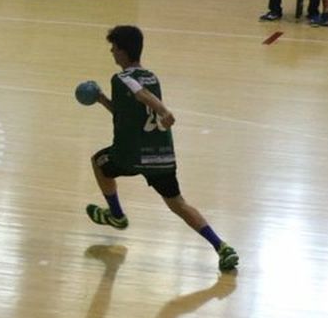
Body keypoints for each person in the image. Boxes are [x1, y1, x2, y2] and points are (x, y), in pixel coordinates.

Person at [84, 25, 239, 273]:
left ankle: (116, 215)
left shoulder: (123, 78)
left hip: (131, 154)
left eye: (114, 48)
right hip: (162, 155)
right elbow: (127, 113)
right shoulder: (152, 76)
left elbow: (140, 94)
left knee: (99, 162)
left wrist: (165, 111)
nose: (112, 52)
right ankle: (221, 247)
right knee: (178, 203)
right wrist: (102, 99)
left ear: (123, 52)